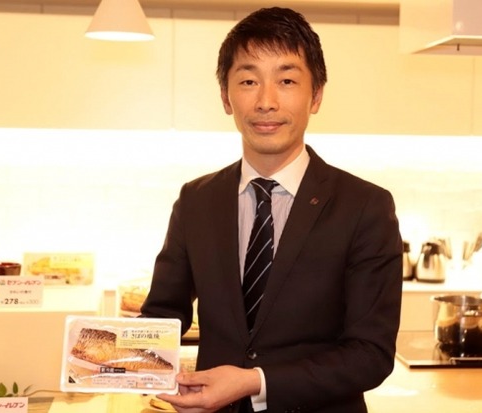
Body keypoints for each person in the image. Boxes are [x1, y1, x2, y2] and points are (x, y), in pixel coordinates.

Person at [140, 6, 402, 413]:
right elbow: (162, 316)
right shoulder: (196, 200)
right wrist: (103, 360)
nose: (266, 101)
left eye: (286, 81)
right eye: (248, 81)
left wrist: (254, 382)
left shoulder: (364, 206)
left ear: (316, 95)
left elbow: (371, 354)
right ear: (226, 97)